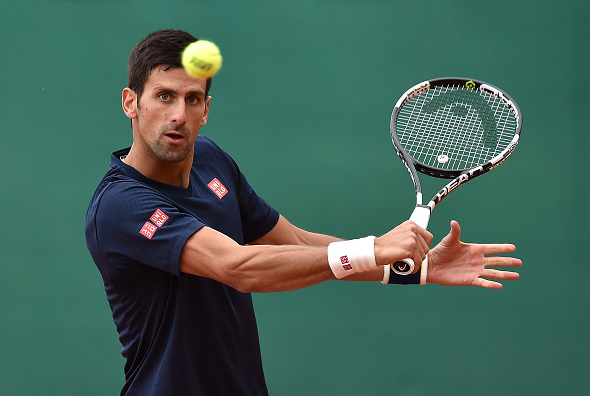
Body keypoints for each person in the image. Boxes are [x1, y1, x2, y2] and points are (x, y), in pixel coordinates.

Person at [85, 29, 522, 396]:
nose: (179, 114)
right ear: (131, 102)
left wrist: (410, 268)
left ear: (206, 111)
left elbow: (292, 242)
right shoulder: (121, 205)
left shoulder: (212, 160)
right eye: (164, 96)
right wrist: (373, 248)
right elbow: (237, 266)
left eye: (192, 99)